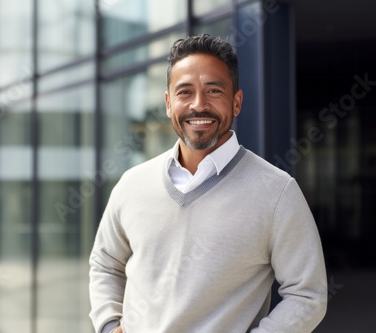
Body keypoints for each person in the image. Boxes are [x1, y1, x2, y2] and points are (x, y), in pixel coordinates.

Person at [88, 34, 327, 333]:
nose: (198, 105)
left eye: (214, 91)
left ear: (236, 101)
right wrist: (110, 325)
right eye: (185, 92)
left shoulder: (277, 192)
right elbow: (105, 264)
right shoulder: (131, 184)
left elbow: (307, 295)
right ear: (167, 103)